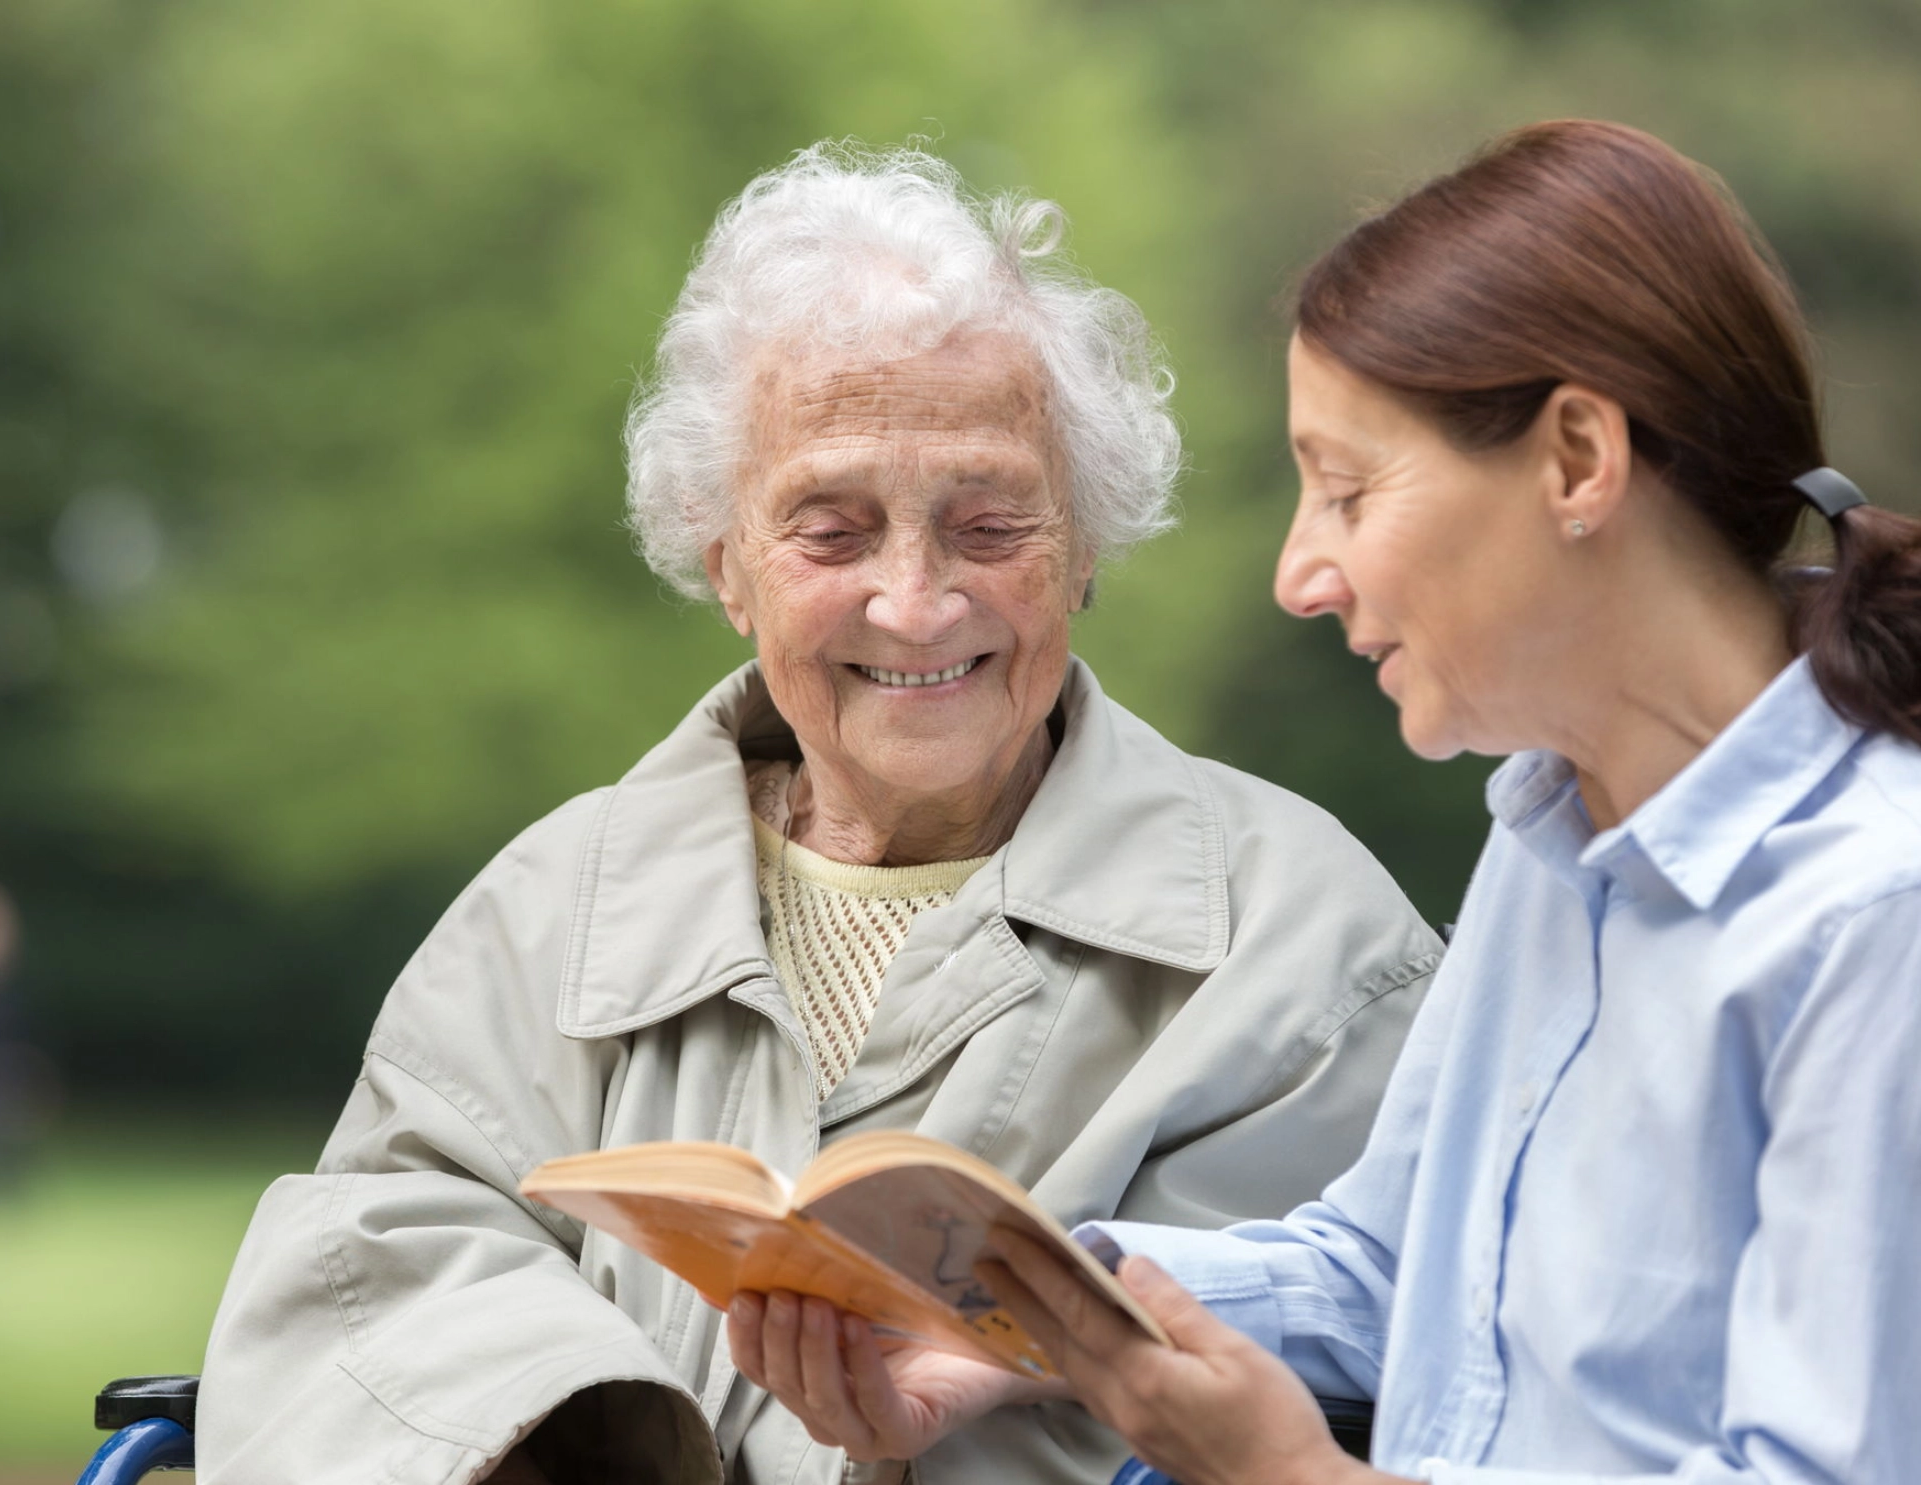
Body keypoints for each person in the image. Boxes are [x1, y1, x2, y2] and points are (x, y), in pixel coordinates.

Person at [194, 143, 1441, 1485]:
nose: (914, 601)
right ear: (725, 564)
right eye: (832, 533)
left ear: (1087, 544)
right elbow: (377, 1260)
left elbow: (1291, 1393)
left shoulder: (1303, 944)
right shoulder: (554, 904)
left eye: (988, 524)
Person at [969, 120, 1921, 1484]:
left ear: (1580, 459)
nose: (1302, 573)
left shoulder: (1875, 917)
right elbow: (1386, 1269)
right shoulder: (1549, 829)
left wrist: (1295, 1479)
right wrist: (1009, 1299)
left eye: (1349, 492)